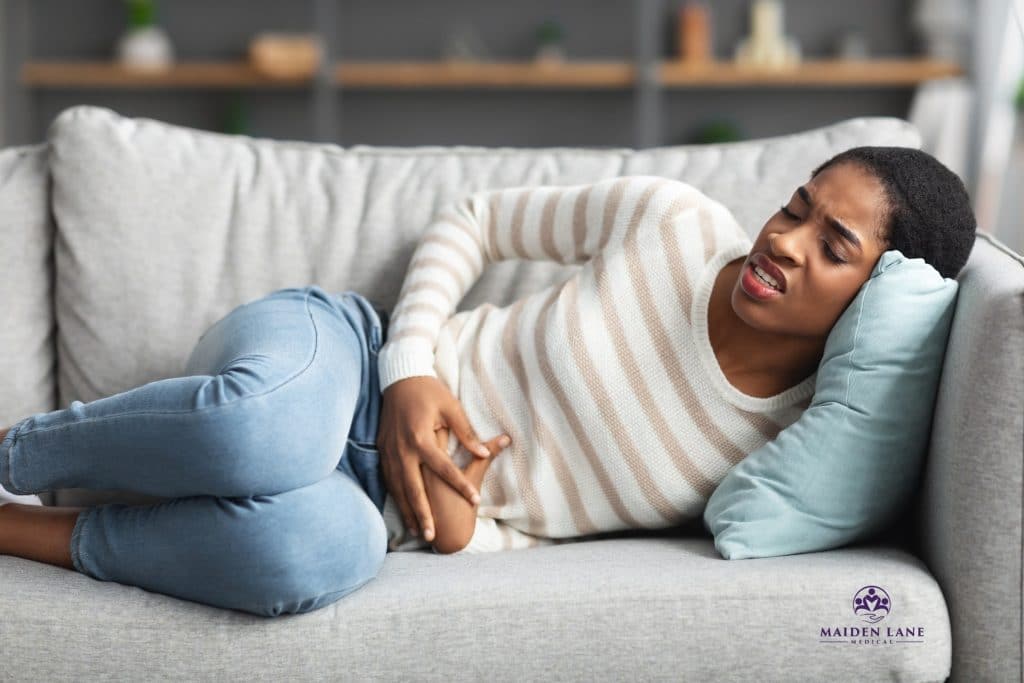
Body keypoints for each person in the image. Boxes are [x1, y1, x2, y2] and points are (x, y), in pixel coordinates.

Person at [0, 146, 976, 616]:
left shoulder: (774, 455)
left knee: (303, 559)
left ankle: (16, 526)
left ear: (877, 294)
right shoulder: (671, 224)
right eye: (794, 206)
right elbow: (475, 219)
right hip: (339, 354)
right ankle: (14, 454)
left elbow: (557, 522)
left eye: (831, 244)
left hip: (378, 508)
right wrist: (409, 371)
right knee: (262, 433)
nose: (782, 240)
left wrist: (469, 533)